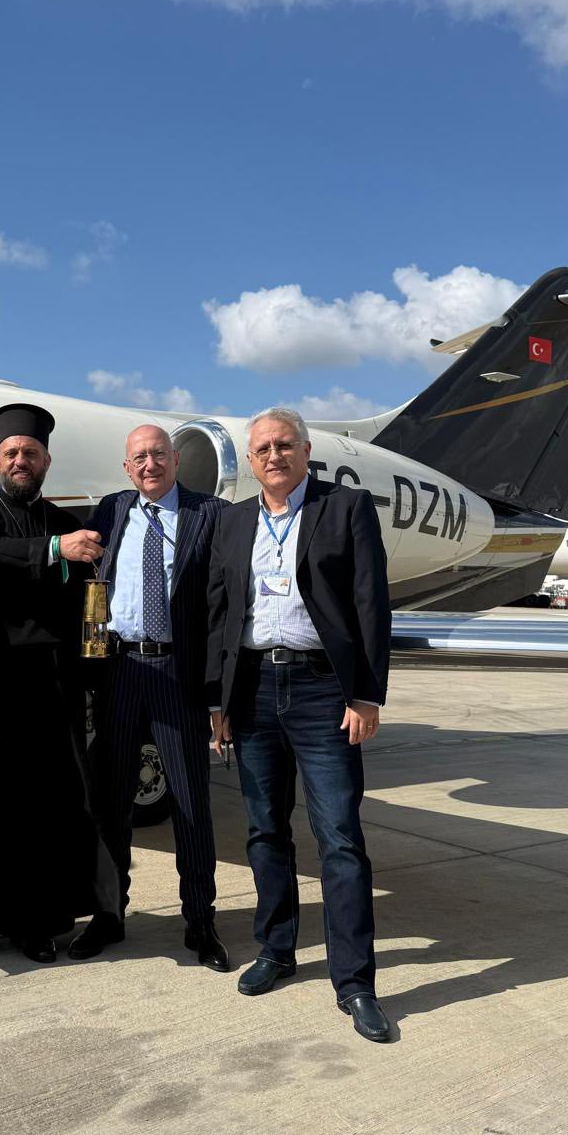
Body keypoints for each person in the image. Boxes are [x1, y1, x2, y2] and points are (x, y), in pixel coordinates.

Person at [206, 407, 394, 1042]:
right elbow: (219, 612)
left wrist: (365, 695)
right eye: (262, 448)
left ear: (306, 451)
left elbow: (370, 602)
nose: (273, 455)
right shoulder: (233, 520)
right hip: (252, 689)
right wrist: (217, 702)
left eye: (284, 445)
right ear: (251, 460)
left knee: (339, 837)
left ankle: (355, 982)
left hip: (322, 690)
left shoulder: (345, 508)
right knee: (264, 830)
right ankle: (277, 949)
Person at [0, 402, 118, 965]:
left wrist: (97, 669)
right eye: (11, 453)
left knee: (46, 806)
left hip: (52, 685)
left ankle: (38, 921)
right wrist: (52, 551)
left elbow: (91, 607)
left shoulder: (69, 525)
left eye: (30, 453)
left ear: (46, 462)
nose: (20, 460)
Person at [71, 424, 229, 971]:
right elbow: (84, 580)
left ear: (176, 460)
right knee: (110, 802)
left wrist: (218, 693)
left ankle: (200, 920)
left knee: (189, 802)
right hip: (119, 670)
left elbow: (224, 603)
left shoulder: (209, 513)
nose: (149, 465)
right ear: (127, 468)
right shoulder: (113, 510)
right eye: (139, 457)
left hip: (177, 672)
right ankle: (108, 915)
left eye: (158, 454)